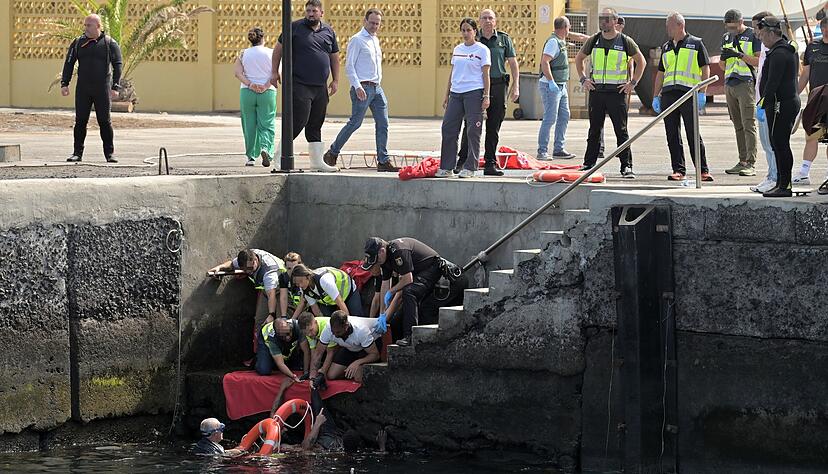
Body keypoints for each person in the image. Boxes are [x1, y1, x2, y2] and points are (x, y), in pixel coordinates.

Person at [574, 7, 646, 178]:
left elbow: (640, 61)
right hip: (597, 92)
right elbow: (579, 59)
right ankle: (589, 163)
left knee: (621, 130)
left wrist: (633, 83)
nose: (603, 21)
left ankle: (626, 166)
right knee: (594, 129)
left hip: (617, 93)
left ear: (615, 21)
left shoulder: (625, 41)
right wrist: (584, 79)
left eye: (606, 18)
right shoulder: (594, 40)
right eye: (601, 18)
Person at [323, 9, 397, 173]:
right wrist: (357, 86)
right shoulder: (357, 40)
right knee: (355, 123)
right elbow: (349, 66)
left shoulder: (375, 40)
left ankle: (383, 160)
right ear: (365, 21)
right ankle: (332, 152)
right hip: (362, 87)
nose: (374, 26)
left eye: (377, 23)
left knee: (383, 123)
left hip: (377, 88)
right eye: (372, 22)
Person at [271, 0, 340, 172]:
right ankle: (280, 157)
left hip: (320, 87)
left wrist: (335, 79)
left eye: (314, 11)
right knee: (298, 120)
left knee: (316, 123)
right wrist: (274, 72)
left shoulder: (329, 32)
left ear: (321, 13)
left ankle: (317, 162)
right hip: (299, 84)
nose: (310, 13)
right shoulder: (294, 27)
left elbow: (334, 57)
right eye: (308, 10)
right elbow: (278, 49)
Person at [455, 9, 519, 176]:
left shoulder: (504, 39)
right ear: (479, 21)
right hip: (476, 87)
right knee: (470, 124)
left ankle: (490, 163)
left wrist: (516, 86)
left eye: (491, 18)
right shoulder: (474, 39)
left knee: (493, 126)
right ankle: (463, 161)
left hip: (498, 85)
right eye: (484, 18)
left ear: (495, 21)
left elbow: (513, 63)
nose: (488, 21)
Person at [652, 12, 714, 182]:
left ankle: (702, 170)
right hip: (669, 94)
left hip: (689, 93)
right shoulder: (666, 47)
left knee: (693, 132)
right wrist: (655, 96)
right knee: (672, 133)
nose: (667, 29)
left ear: (680, 25)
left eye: (670, 26)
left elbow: (705, 68)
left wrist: (702, 92)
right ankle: (678, 169)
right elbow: (661, 73)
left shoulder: (696, 43)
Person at [60, 14, 122, 164]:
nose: (85, 28)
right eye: (85, 25)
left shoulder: (109, 43)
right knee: (80, 121)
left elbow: (118, 64)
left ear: (98, 26)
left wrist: (115, 86)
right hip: (83, 88)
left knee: (104, 121)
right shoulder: (77, 43)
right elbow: (69, 63)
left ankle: (110, 154)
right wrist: (64, 83)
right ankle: (77, 153)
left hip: (102, 88)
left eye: (89, 25)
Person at [435, 18, 491, 178]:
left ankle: (470, 167)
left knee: (473, 130)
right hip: (456, 93)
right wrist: (447, 94)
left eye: (469, 30)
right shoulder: (458, 49)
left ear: (475, 31)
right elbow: (453, 73)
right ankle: (446, 167)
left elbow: (486, 75)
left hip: (474, 92)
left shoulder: (482, 50)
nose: (466, 33)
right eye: (463, 30)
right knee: (448, 128)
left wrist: (486, 96)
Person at [360, 237, 442, 346]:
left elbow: (408, 280)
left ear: (382, 251)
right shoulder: (384, 259)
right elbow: (385, 284)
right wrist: (382, 315)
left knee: (409, 291)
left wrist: (391, 291)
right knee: (395, 322)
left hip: (432, 267)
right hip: (417, 274)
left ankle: (410, 336)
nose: (377, 263)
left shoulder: (398, 251)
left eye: (377, 259)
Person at [757, 16, 800, 197]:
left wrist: (763, 102)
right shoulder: (782, 50)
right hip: (781, 103)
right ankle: (782, 183)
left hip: (780, 104)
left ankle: (785, 186)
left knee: (780, 143)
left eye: (762, 34)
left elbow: (773, 83)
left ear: (770, 33)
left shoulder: (779, 54)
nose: (760, 38)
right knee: (778, 143)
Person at [536, 16, 589, 161]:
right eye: (569, 27)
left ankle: (559, 148)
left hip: (561, 85)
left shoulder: (561, 38)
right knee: (550, 118)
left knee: (564, 115)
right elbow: (545, 62)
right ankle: (542, 151)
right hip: (550, 86)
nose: (570, 29)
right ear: (564, 27)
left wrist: (595, 38)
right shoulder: (553, 42)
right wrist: (551, 82)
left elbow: (579, 37)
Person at [720, 9, 762, 177]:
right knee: (737, 124)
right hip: (729, 83)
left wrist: (739, 55)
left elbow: (759, 60)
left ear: (740, 22)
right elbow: (723, 66)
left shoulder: (752, 35)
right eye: (728, 26)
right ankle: (742, 159)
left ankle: (751, 162)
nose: (731, 29)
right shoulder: (726, 37)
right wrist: (725, 58)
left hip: (746, 83)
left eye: (733, 26)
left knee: (748, 124)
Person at [793, 12, 828, 186]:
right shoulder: (812, 47)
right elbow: (805, 74)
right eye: (825, 28)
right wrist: (794, 95)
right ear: (821, 29)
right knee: (812, 136)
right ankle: (804, 173)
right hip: (816, 101)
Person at [207, 249, 288, 322]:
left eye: (250, 269)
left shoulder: (269, 273)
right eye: (244, 269)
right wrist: (219, 268)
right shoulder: (246, 258)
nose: (248, 272)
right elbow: (231, 264)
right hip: (266, 290)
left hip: (281, 289)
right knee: (260, 320)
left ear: (255, 260)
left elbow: (271, 295)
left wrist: (271, 314)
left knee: (280, 321)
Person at [234, 27, 276, 168]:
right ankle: (266, 149)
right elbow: (277, 73)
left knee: (249, 124)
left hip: (247, 92)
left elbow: (238, 73)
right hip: (268, 92)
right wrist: (265, 85)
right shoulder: (271, 53)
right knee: (267, 123)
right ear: (263, 38)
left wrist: (251, 84)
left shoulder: (243, 53)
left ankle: (251, 157)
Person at [751, 11, 779, 193]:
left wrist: (764, 101)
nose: (755, 32)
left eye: (757, 28)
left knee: (772, 142)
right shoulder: (764, 47)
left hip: (769, 102)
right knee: (765, 142)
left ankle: (775, 177)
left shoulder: (774, 49)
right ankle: (771, 174)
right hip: (761, 100)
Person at [308, 311, 380, 383]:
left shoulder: (361, 330)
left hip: (368, 348)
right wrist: (313, 376)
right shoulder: (328, 329)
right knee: (331, 375)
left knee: (358, 376)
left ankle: (356, 369)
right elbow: (318, 353)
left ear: (346, 326)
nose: (335, 335)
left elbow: (375, 355)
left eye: (338, 332)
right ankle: (349, 369)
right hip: (350, 348)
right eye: (333, 332)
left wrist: (357, 363)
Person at [291, 264, 363, 317]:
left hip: (348, 291)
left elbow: (340, 302)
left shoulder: (324, 280)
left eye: (301, 281)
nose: (300, 285)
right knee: (328, 320)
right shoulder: (304, 288)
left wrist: (348, 321)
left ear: (308, 277)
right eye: (297, 284)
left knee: (356, 317)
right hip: (329, 302)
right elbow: (315, 309)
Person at [278, 252, 304, 318]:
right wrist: (283, 316)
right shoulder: (284, 277)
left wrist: (293, 318)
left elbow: (303, 301)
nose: (292, 272)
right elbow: (283, 297)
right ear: (285, 267)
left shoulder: (305, 277)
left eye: (295, 268)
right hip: (295, 304)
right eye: (289, 268)